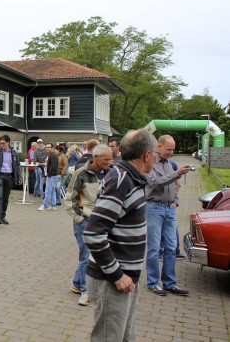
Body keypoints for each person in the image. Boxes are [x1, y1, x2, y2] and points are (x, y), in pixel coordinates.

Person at [83, 129, 157, 342]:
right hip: (112, 280)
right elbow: (94, 234)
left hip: (125, 277)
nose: (157, 157)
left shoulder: (132, 178)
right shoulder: (121, 181)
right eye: (155, 153)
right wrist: (117, 275)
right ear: (146, 155)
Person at [64, 144, 112, 307]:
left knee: (92, 255)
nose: (109, 162)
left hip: (102, 223)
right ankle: (86, 291)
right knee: (88, 256)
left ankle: (77, 283)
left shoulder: (110, 174)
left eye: (110, 159)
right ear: (95, 158)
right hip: (85, 222)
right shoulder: (81, 174)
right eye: (106, 159)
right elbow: (70, 199)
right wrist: (80, 219)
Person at [145, 135, 192, 297]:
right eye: (169, 149)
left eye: (173, 149)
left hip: (169, 209)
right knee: (154, 247)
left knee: (171, 247)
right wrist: (177, 173)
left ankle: (170, 283)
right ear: (158, 146)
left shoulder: (169, 164)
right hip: (154, 208)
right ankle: (152, 282)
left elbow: (173, 184)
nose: (171, 152)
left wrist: (176, 200)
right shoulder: (150, 163)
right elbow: (155, 183)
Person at [38, 143, 59, 211]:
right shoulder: (50, 155)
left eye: (49, 147)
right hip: (51, 175)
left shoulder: (53, 156)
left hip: (52, 175)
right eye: (46, 147)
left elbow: (54, 166)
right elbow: (48, 165)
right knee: (52, 190)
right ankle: (53, 205)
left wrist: (48, 175)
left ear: (52, 148)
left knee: (48, 190)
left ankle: (44, 205)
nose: (47, 148)